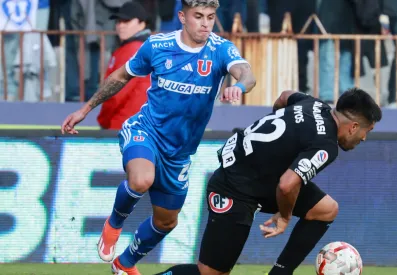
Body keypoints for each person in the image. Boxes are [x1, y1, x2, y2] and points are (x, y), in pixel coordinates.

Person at [60, 0, 256, 274]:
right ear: (182, 17)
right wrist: (85, 109)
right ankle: (114, 223)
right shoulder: (158, 46)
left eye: (210, 17)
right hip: (145, 131)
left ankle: (124, 264)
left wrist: (239, 86)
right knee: (142, 179)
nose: (205, 23)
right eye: (198, 16)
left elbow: (246, 73)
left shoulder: (220, 49)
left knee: (166, 222)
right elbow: (120, 75)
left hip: (179, 152)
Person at [155, 88, 382, 275]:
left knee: (326, 210)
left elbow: (284, 96)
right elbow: (287, 184)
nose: (363, 138)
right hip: (234, 187)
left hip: (258, 175)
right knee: (211, 273)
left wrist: (274, 132)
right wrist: (284, 217)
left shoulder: (313, 104)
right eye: (366, 131)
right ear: (353, 126)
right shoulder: (327, 145)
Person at [97, 1, 152, 130]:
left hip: (123, 125)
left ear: (142, 24)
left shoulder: (132, 49)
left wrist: (103, 120)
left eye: (126, 21)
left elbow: (115, 92)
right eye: (118, 21)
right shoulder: (144, 47)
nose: (121, 25)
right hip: (138, 126)